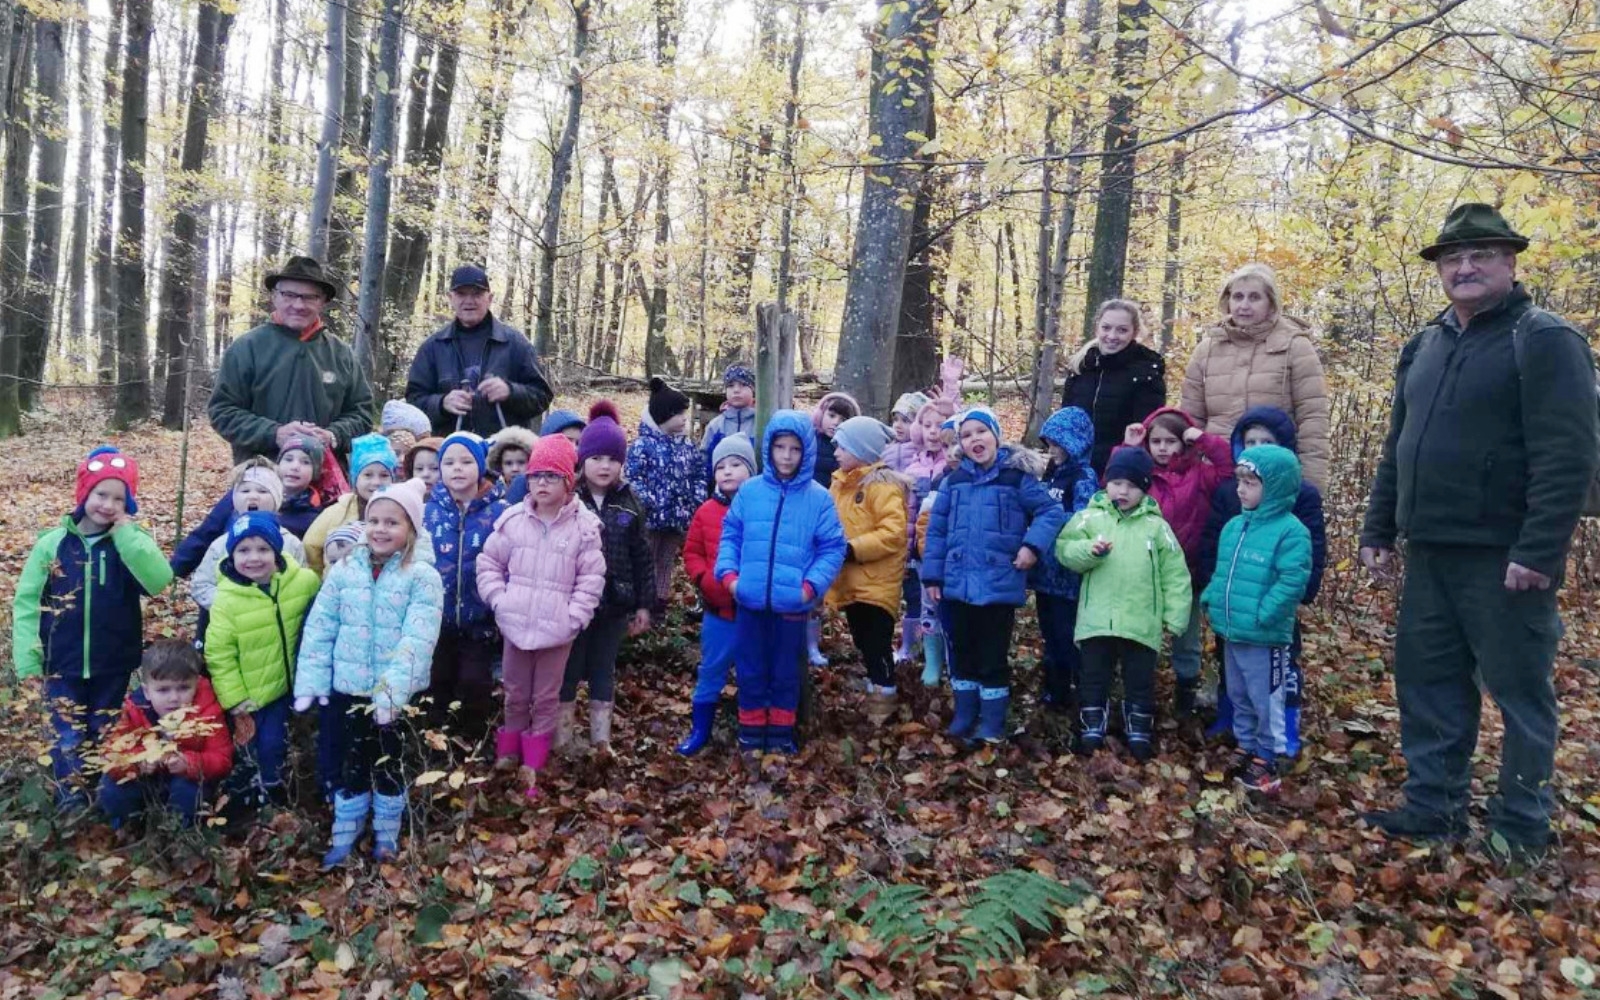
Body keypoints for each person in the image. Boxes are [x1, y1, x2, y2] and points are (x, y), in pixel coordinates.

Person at [1358, 204, 1600, 861]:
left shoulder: (1546, 340)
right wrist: (1380, 527)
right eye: (1451, 259)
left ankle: (1522, 827)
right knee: (1427, 684)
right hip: (1429, 550)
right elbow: (1398, 447)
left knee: (1521, 694)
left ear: (1511, 262)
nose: (1464, 268)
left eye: (1481, 256)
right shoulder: (1426, 344)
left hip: (1504, 559)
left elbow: (1569, 456)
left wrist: (1538, 551)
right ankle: (1432, 807)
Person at [12, 448, 175, 805]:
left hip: (113, 662)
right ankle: (71, 805)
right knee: (67, 737)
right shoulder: (52, 544)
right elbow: (26, 603)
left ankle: (106, 800)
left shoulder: (128, 545)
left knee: (106, 730)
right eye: (101, 494)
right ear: (84, 493)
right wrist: (28, 657)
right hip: (61, 663)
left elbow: (159, 580)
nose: (108, 504)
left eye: (120, 498)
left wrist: (126, 535)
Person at [296, 478, 443, 866]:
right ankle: (345, 833)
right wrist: (312, 679)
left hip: (394, 696)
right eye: (374, 520)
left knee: (389, 762)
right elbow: (321, 626)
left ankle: (387, 833)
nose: (380, 529)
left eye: (392, 523)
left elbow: (419, 638)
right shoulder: (345, 568)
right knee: (351, 762)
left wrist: (392, 694)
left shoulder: (423, 576)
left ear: (411, 528)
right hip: (347, 688)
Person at [922, 407, 1067, 744]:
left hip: (998, 585)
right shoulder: (953, 482)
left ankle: (992, 721)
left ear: (996, 436)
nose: (975, 439)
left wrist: (1032, 547)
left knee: (991, 655)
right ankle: (965, 713)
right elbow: (937, 531)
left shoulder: (1016, 478)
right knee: (962, 652)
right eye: (967, 435)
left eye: (981, 432)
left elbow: (1051, 511)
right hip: (956, 585)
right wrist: (932, 577)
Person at [477, 434, 606, 798]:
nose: (542, 484)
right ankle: (507, 756)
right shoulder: (513, 520)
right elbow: (488, 563)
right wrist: (499, 600)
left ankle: (533, 763)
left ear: (569, 481)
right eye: (536, 476)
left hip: (557, 631)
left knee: (546, 697)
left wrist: (575, 617)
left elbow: (591, 578)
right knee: (515, 693)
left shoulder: (584, 527)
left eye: (552, 476)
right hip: (515, 625)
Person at [715, 411, 847, 754]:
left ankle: (780, 736)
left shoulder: (818, 498)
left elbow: (832, 547)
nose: (786, 456)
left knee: (786, 672)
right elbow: (730, 534)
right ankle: (751, 734)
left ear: (806, 453)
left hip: (792, 606)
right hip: (749, 601)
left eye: (794, 449)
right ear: (769, 449)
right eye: (779, 447)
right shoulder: (750, 492)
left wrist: (809, 587)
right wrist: (730, 578)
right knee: (750, 669)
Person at [1197, 406, 1326, 752]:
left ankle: (1278, 739)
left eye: (1264, 441)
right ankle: (1241, 732)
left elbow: (1305, 558)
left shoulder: (1299, 503)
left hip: (1269, 616)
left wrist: (1280, 605)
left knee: (1274, 676)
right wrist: (1213, 593)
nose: (1254, 446)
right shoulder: (1233, 504)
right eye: (1248, 440)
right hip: (1234, 611)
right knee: (1235, 675)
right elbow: (1218, 554)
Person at [1055, 448, 1191, 760]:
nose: (1123, 491)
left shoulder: (1157, 527)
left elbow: (1175, 573)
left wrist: (1175, 616)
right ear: (1106, 484)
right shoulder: (1089, 517)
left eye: (1131, 485)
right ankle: (1091, 726)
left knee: (1139, 679)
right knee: (1093, 675)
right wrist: (1090, 550)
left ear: (1144, 489)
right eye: (1116, 483)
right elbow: (1065, 549)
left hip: (1140, 619)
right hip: (1097, 618)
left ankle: (1139, 729)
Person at [1202, 445, 1312, 794]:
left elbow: (1292, 580)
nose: (1241, 489)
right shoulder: (1235, 526)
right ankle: (1246, 744)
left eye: (1250, 483)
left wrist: (1267, 613)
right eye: (1240, 481)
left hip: (1265, 635)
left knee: (1267, 696)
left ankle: (1270, 755)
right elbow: (1224, 572)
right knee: (1238, 691)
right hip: (1233, 630)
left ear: (1276, 487)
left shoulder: (1291, 531)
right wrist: (1212, 597)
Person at [1117, 407, 1232, 719]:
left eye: (1171, 441)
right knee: (1143, 633)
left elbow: (1229, 470)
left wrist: (1204, 439)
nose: (1163, 448)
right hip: (1145, 571)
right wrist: (1128, 447)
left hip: (1188, 571)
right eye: (1156, 441)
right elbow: (1114, 483)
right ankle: (1140, 695)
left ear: (1184, 443)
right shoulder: (1142, 474)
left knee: (1187, 635)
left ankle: (1185, 694)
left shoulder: (1200, 474)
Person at [204, 513, 321, 809]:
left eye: (263, 549)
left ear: (277, 551)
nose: (253, 558)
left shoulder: (303, 582)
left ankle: (298, 783)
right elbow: (219, 653)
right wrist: (235, 697)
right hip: (256, 693)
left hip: (297, 682)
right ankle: (264, 792)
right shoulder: (227, 599)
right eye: (243, 550)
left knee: (294, 738)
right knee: (262, 745)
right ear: (232, 555)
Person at [209, 256, 374, 464]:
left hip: (327, 478)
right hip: (260, 479)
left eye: (309, 297)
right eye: (289, 295)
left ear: (322, 302)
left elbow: (363, 414)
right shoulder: (246, 348)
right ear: (274, 297)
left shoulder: (342, 354)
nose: (298, 304)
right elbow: (222, 411)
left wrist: (332, 436)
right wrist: (274, 433)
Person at [558, 403, 655, 755]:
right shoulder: (569, 499)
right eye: (597, 458)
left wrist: (645, 604)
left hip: (615, 603)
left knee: (603, 670)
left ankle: (601, 739)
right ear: (582, 460)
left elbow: (642, 556)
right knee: (567, 670)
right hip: (572, 604)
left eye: (613, 459)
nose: (605, 466)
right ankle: (563, 737)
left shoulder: (630, 503)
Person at [1180, 264, 1330, 489]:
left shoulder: (1296, 347)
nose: (1244, 305)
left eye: (1254, 297)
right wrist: (1186, 479)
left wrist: (1311, 485)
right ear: (1227, 301)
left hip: (1275, 476)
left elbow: (1313, 421)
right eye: (1238, 297)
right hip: (1215, 476)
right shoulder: (1207, 349)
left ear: (1271, 303)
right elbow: (1191, 420)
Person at [827, 417, 913, 724]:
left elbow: (893, 534)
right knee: (862, 638)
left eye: (843, 446)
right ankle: (876, 681)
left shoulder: (882, 486)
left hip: (876, 582)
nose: (835, 451)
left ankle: (884, 694)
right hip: (851, 580)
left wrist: (853, 548)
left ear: (861, 450)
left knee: (876, 641)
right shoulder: (840, 483)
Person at [421, 432, 508, 737]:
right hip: (437, 618)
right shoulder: (429, 511)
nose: (457, 468)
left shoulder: (499, 511)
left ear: (481, 465)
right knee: (437, 678)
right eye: (449, 462)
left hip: (479, 618)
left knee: (474, 682)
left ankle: (472, 738)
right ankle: (435, 739)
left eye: (466, 461)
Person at [405, 265, 554, 437]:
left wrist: (511, 392)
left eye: (476, 294)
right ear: (450, 298)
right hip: (450, 457)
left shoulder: (515, 344)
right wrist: (441, 403)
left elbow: (542, 396)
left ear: (489, 298)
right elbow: (413, 401)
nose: (469, 301)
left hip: (504, 456)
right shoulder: (432, 347)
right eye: (461, 294)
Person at [676, 434, 755, 756]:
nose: (727, 472)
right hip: (718, 612)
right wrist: (703, 578)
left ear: (751, 470)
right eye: (720, 466)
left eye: (736, 465)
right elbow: (692, 550)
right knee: (711, 670)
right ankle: (700, 731)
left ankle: (752, 731)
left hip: (754, 612)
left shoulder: (761, 508)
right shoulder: (706, 511)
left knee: (753, 673)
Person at [98, 642, 233, 830]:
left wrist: (190, 763)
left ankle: (179, 835)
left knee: (188, 794)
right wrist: (138, 762)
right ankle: (127, 829)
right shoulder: (135, 709)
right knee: (111, 787)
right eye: (163, 690)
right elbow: (111, 754)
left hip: (186, 777)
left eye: (184, 688)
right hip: (146, 778)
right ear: (147, 691)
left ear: (196, 683)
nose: (174, 698)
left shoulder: (206, 709)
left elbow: (223, 758)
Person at [1029, 407, 1098, 721]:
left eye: (1059, 444)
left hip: (1067, 574)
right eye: (1050, 443)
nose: (1052, 450)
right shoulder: (1052, 472)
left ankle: (1076, 693)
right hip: (1045, 570)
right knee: (1050, 632)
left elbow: (1085, 519)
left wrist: (1052, 521)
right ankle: (1054, 690)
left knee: (1066, 633)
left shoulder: (1084, 476)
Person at [188, 461, 308, 628]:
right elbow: (201, 585)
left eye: (263, 490)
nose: (253, 496)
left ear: (277, 498)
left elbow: (302, 584)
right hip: (233, 627)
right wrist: (231, 607)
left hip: (278, 626)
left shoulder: (291, 543)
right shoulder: (222, 544)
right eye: (245, 490)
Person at [626, 378, 705, 613]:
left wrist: (695, 499)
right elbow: (633, 478)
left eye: (684, 414)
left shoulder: (687, 446)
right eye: (678, 414)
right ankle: (642, 600)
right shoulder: (643, 446)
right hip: (650, 519)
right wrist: (649, 501)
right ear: (663, 415)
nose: (683, 418)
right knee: (646, 557)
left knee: (667, 559)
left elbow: (698, 473)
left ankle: (660, 600)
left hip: (677, 517)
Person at [1061, 300, 1167, 474]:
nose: (1112, 336)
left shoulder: (1145, 373)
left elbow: (1146, 430)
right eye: (1106, 328)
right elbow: (1064, 422)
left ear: (1135, 333)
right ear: (1097, 328)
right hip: (1074, 467)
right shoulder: (1081, 367)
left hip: (1119, 472)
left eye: (1122, 330)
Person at [304, 434, 398, 572]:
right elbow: (310, 544)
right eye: (368, 475)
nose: (376, 482)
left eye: (384, 475)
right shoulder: (338, 511)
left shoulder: (400, 512)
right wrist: (321, 575)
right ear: (355, 478)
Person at [700, 365, 758, 480]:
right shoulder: (716, 426)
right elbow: (704, 458)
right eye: (731, 386)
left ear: (753, 389)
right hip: (721, 488)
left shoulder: (761, 424)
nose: (736, 390)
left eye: (743, 385)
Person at [881, 391, 931, 475]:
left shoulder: (922, 448)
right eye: (895, 420)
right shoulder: (886, 445)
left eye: (905, 421)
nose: (898, 425)